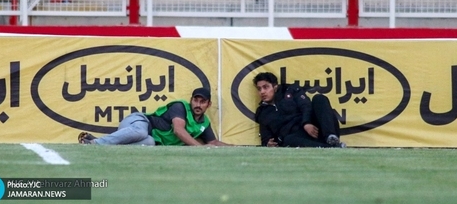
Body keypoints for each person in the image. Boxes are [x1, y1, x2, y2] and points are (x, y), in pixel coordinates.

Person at [78, 87, 230, 146]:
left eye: (202, 102)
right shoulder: (181, 106)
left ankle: (95, 141)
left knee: (149, 143)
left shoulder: (204, 123)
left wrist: (234, 148)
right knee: (141, 132)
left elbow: (214, 141)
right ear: (191, 100)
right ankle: (95, 144)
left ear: (208, 105)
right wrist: (201, 148)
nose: (198, 104)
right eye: (195, 100)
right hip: (139, 121)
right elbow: (179, 130)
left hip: (147, 137)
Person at [253, 72, 346, 148]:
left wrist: (306, 123)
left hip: (316, 127)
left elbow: (306, 106)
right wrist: (267, 143)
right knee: (288, 140)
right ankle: (332, 148)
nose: (262, 92)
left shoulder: (291, 90)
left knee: (319, 98)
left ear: (275, 87)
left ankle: (331, 138)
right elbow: (265, 137)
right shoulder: (262, 112)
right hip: (298, 138)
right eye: (259, 89)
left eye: (266, 87)